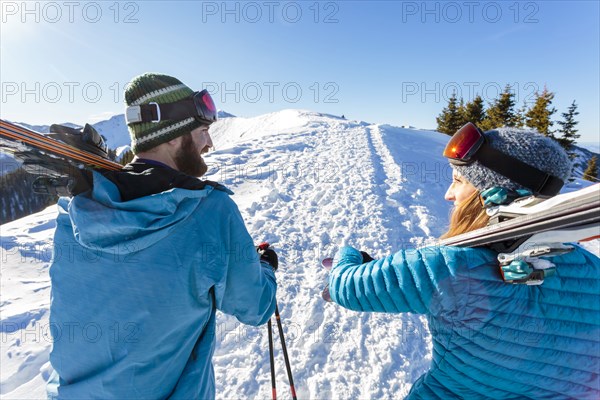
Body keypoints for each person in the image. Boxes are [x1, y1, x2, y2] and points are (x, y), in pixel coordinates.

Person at [47, 73, 278, 399]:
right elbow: (256, 306)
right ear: (171, 136)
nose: (209, 144)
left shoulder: (75, 210)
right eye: (202, 132)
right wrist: (264, 266)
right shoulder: (210, 211)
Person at [327, 122, 600, 399]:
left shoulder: (450, 266)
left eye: (458, 180)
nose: (448, 194)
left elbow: (345, 288)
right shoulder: (593, 268)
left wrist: (349, 254)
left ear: (493, 192)